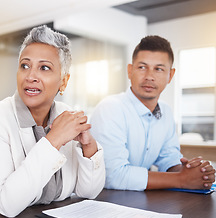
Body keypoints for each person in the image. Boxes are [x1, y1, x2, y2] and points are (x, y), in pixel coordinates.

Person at [0, 25, 105, 218]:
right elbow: (6, 204)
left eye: (44, 68)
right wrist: (53, 140)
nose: (30, 76)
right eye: (25, 66)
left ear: (63, 81)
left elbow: (88, 192)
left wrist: (89, 146)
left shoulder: (66, 115)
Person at [90, 35, 215, 191]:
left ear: (170, 75)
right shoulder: (110, 108)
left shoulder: (166, 111)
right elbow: (113, 175)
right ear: (130, 71)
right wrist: (181, 179)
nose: (149, 76)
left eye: (159, 69)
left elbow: (169, 158)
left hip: (139, 202)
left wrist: (194, 172)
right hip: (104, 202)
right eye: (142, 67)